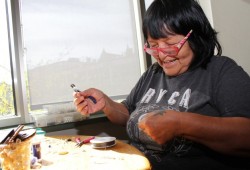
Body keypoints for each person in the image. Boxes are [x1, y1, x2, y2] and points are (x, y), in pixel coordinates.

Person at [73, 0, 250, 169]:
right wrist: (106, 103)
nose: (161, 55)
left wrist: (182, 124)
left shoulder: (221, 71)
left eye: (171, 44)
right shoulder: (153, 73)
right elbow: (128, 114)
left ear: (195, 36)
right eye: (153, 45)